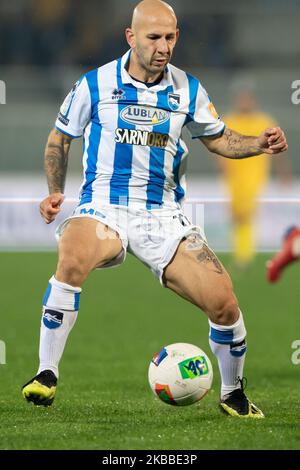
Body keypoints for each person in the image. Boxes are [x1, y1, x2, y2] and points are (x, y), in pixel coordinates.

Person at [22, 0, 288, 418]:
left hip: (162, 215)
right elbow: (60, 138)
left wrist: (258, 144)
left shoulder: (189, 90)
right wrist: (55, 191)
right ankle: (46, 374)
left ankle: (233, 393)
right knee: (72, 256)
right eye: (153, 38)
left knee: (225, 302)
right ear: (131, 37)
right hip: (104, 207)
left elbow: (217, 138)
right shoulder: (95, 83)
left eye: (169, 37)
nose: (163, 46)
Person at [219, 87, 290, 267]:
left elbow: (278, 147)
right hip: (234, 178)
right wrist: (223, 169)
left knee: (246, 214)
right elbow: (219, 146)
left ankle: (244, 255)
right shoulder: (229, 120)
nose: (244, 104)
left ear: (253, 102)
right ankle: (241, 251)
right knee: (236, 216)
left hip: (255, 177)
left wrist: (283, 172)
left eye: (247, 100)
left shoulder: (264, 121)